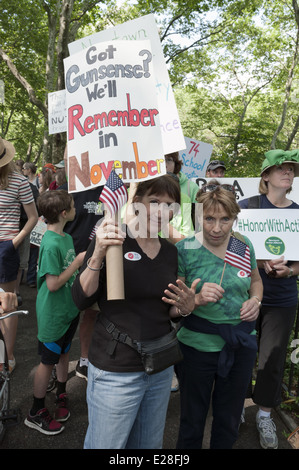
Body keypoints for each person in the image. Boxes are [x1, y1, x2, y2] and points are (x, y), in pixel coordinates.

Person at [72, 175, 196, 449]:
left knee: (148, 447)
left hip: (159, 368)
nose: (162, 211)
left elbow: (165, 310)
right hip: (115, 370)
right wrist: (98, 254)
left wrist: (185, 308)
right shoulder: (112, 239)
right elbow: (81, 300)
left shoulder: (170, 253)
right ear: (137, 202)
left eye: (170, 204)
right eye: (154, 201)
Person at [168, 181, 263, 449]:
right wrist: (195, 299)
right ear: (198, 215)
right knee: (192, 420)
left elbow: (255, 281)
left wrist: (256, 299)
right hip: (197, 347)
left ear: (234, 217)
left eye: (225, 219)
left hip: (241, 345)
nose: (217, 228)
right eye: (209, 218)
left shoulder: (242, 245)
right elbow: (175, 303)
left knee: (229, 419)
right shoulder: (185, 248)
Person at [238, 149, 299, 449]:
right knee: (239, 352)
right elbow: (226, 242)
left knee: (272, 358)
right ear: (265, 176)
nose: (287, 173)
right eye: (281, 168)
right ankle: (235, 404)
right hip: (244, 293)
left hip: (282, 297)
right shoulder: (246, 207)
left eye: (291, 169)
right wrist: (256, 260)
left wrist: (291, 270)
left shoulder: (298, 213)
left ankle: (264, 413)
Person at [24, 190, 85, 435]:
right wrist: (77, 263)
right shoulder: (50, 244)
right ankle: (36, 410)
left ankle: (61, 393)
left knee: (63, 354)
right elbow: (52, 284)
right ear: (63, 213)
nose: (75, 208)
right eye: (72, 205)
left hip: (67, 311)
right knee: (47, 362)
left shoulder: (66, 238)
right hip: (53, 315)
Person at [0, 137, 38, 371]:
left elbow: (33, 217)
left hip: (5, 247)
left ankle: (7, 358)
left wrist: (13, 242)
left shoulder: (19, 181)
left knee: (7, 302)